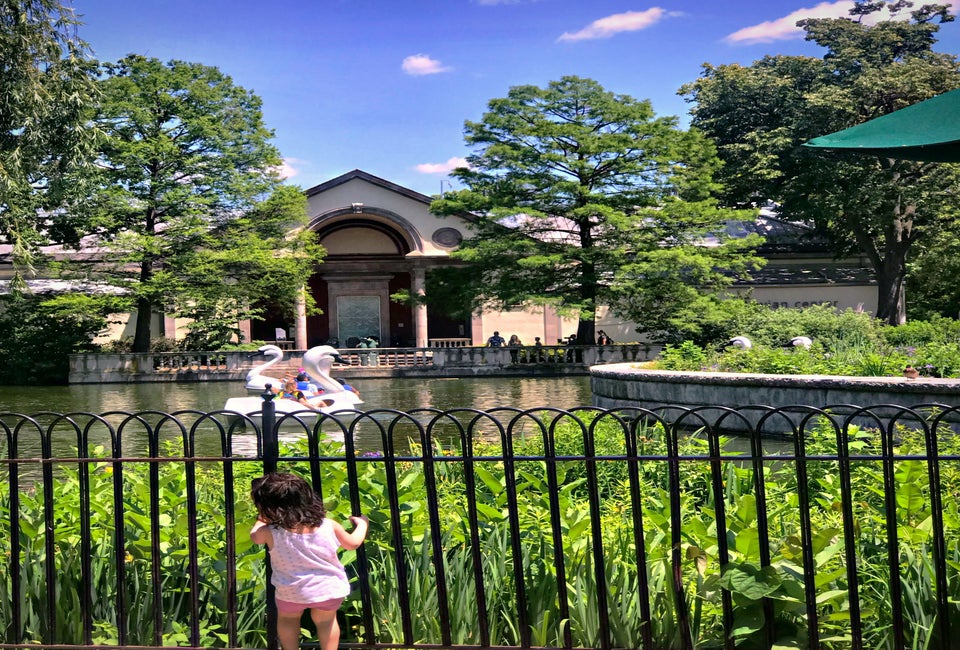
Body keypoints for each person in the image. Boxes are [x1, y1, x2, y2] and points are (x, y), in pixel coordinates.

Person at [250, 473, 369, 650]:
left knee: (288, 620)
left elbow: (255, 538)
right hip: (328, 589)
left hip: (291, 590)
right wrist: (362, 525)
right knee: (327, 622)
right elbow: (352, 544)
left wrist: (261, 520)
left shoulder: (271, 531)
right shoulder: (328, 524)